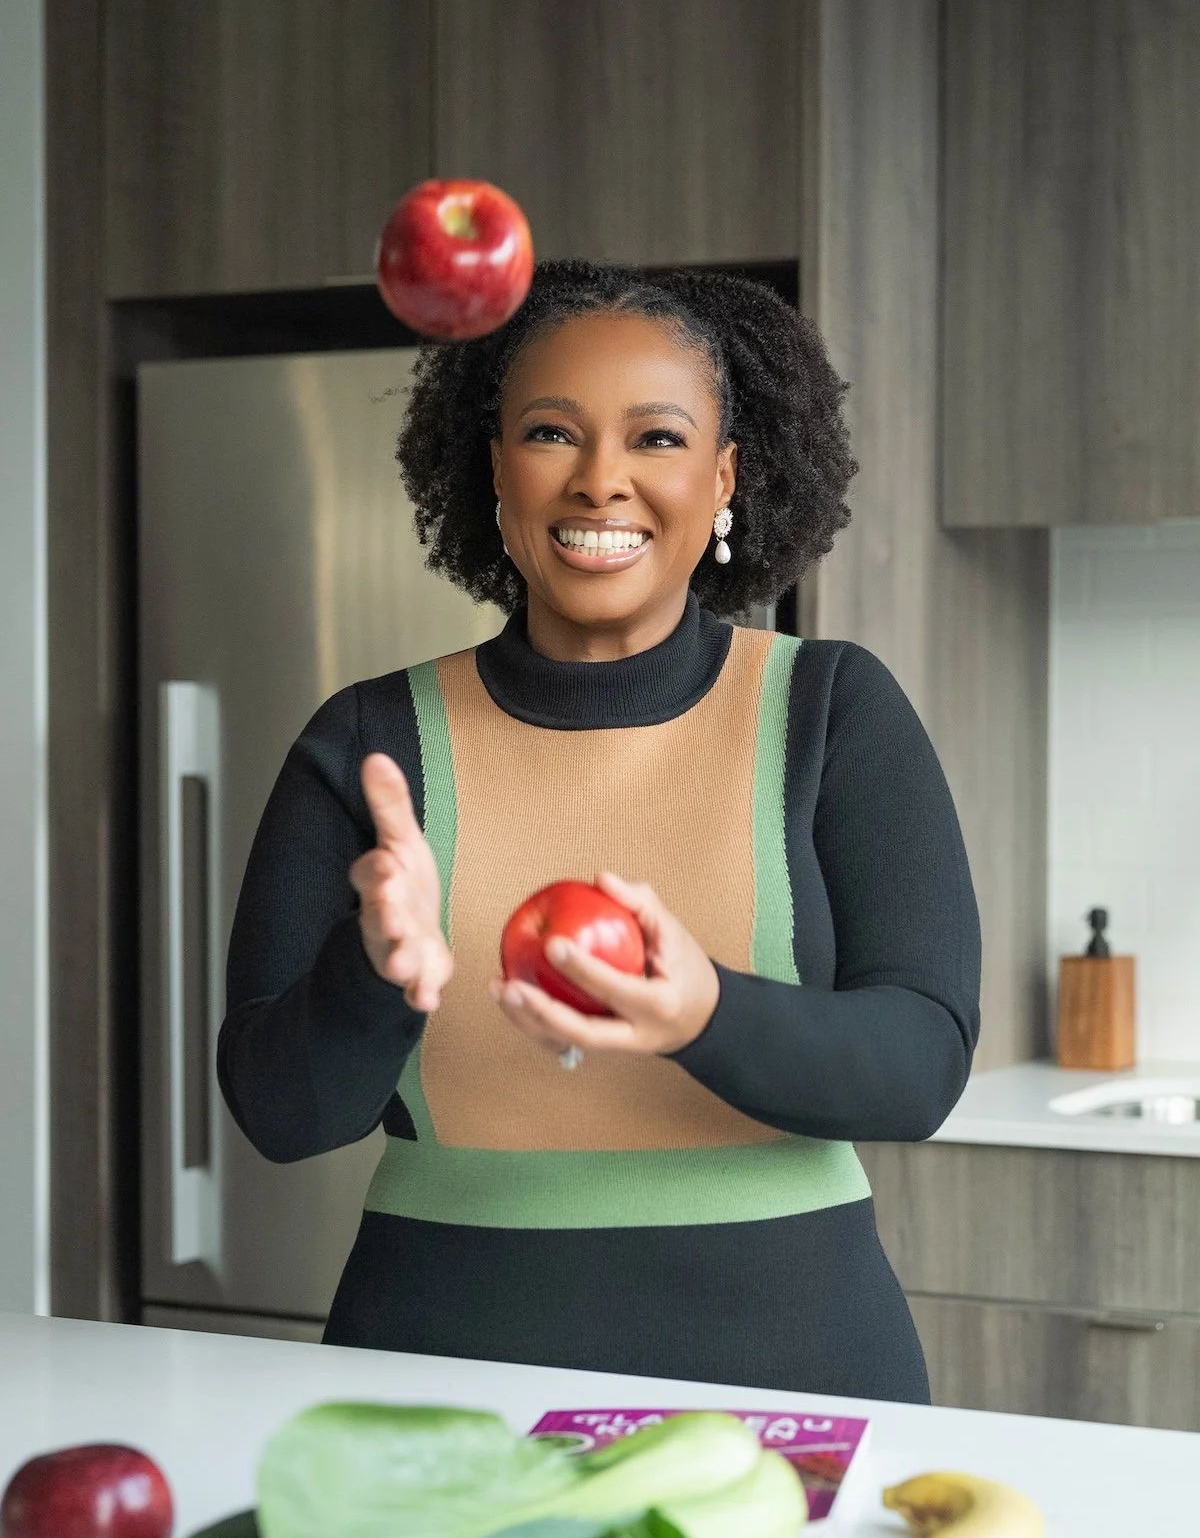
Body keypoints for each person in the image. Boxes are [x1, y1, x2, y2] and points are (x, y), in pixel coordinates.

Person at [217, 260, 981, 1403]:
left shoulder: (831, 712)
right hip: (438, 1373)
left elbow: (921, 1065)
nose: (601, 482)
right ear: (495, 472)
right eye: (550, 434)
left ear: (725, 477)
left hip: (797, 1375)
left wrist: (703, 1013)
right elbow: (278, 1116)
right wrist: (371, 977)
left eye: (658, 439)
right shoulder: (375, 737)